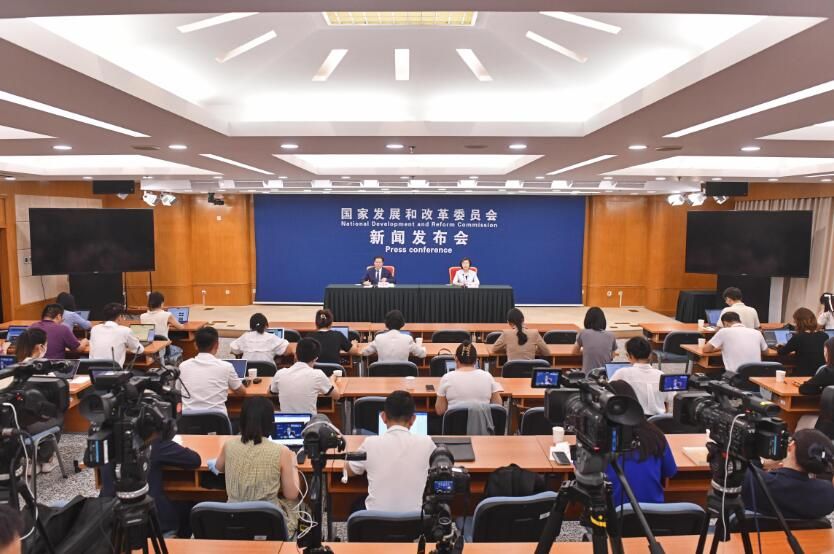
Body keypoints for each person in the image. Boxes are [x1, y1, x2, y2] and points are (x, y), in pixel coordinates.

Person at [214, 397, 301, 534]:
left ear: (242, 420)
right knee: (299, 507)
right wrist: (293, 464)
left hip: (233, 522)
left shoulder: (229, 445)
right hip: (268, 524)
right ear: (271, 422)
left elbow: (219, 467)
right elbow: (291, 494)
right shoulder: (282, 451)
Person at [346, 391, 437, 511]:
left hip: (376, 519)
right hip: (414, 520)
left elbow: (349, 470)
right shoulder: (427, 443)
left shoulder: (370, 443)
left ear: (383, 417)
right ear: (413, 419)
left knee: (354, 506)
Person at [100, 436, 201, 537]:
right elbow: (194, 460)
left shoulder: (105, 442)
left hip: (111, 520)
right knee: (189, 503)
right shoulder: (151, 442)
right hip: (153, 522)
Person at [605, 381, 677, 506]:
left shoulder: (600, 438)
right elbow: (670, 471)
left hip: (612, 514)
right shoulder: (655, 434)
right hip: (654, 513)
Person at [741, 429, 834, 519]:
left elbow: (738, 469)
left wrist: (761, 462)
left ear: (791, 446)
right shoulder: (827, 495)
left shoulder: (751, 480)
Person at [178, 326, 244, 415]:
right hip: (218, 422)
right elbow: (241, 392)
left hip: (188, 422)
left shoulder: (182, 366)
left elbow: (178, 391)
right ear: (217, 345)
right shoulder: (226, 367)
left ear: (195, 345)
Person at [269, 337, 340, 414]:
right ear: (315, 359)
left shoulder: (280, 373)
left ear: (295, 355)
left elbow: (272, 391)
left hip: (286, 420)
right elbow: (336, 396)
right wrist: (332, 380)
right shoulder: (318, 375)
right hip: (310, 421)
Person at [609, 337, 674, 416]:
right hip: (659, 421)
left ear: (630, 356)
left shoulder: (622, 373)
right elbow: (671, 399)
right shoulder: (661, 374)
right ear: (650, 355)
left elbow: (606, 392)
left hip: (633, 420)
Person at [435, 341, 503, 415]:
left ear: (456, 359)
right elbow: (498, 405)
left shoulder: (446, 378)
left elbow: (440, 411)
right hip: (481, 422)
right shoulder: (488, 377)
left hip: (455, 422)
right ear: (476, 361)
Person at [703, 311, 768, 372]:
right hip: (756, 375)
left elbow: (706, 349)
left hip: (735, 375)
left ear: (726, 323)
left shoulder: (724, 331)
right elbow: (766, 352)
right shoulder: (757, 332)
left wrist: (721, 348)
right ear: (740, 321)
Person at [776, 307, 828, 377]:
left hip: (802, 375)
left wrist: (778, 346)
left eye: (795, 322)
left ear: (799, 323)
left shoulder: (798, 337)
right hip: (820, 376)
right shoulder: (824, 336)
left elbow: (782, 352)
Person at [89, 302, 144, 367]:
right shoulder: (125, 331)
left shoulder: (94, 329)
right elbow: (139, 350)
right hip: (114, 372)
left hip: (94, 371)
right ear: (119, 317)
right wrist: (135, 340)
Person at [361, 310, 426, 362]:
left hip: (382, 373)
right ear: (402, 324)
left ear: (386, 324)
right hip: (402, 373)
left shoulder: (379, 338)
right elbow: (422, 354)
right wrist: (420, 346)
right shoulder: (408, 339)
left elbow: (364, 352)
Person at [140, 291, 184, 364]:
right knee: (179, 349)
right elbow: (181, 327)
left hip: (149, 347)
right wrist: (170, 324)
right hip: (164, 348)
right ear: (162, 303)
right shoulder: (167, 315)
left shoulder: (142, 316)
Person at [574, 307, 617, 374]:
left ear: (587, 320)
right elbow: (612, 356)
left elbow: (575, 352)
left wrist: (587, 351)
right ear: (603, 321)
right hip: (605, 375)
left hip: (588, 376)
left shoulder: (583, 333)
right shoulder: (611, 335)